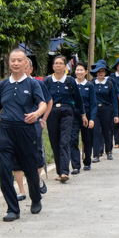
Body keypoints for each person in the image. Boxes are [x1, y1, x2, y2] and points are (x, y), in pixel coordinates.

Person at [0, 49, 47, 221]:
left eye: (20, 60)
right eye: (13, 60)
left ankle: (36, 198)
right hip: (6, 130)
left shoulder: (32, 84)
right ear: (9, 63)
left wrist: (37, 114)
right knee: (5, 171)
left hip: (26, 130)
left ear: (26, 63)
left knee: (30, 169)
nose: (16, 63)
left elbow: (42, 103)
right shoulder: (3, 85)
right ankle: (13, 209)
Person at [43, 55, 86, 183]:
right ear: (53, 66)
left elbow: (78, 99)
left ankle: (64, 171)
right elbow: (42, 100)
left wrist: (83, 114)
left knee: (64, 141)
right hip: (51, 112)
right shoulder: (47, 81)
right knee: (55, 142)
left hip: (67, 112)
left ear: (65, 66)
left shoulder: (70, 81)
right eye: (56, 63)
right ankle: (59, 170)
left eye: (61, 63)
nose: (58, 65)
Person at [12, 58, 51, 201]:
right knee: (16, 158)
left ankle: (36, 180)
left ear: (29, 68)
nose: (21, 67)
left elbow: (48, 102)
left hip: (33, 126)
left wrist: (42, 118)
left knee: (36, 156)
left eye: (25, 66)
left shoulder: (37, 84)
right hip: (15, 127)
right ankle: (21, 190)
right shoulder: (10, 84)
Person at [70, 62, 97, 173]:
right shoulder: (71, 84)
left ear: (86, 72)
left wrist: (92, 119)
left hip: (87, 114)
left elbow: (93, 104)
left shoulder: (89, 86)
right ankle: (76, 165)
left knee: (87, 139)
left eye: (81, 70)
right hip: (74, 115)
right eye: (77, 70)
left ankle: (87, 161)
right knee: (73, 139)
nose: (79, 72)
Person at [91, 61, 119, 163]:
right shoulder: (92, 83)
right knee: (96, 132)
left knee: (107, 131)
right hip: (95, 110)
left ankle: (109, 151)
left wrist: (116, 114)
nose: (100, 73)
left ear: (105, 72)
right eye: (98, 71)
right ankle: (96, 154)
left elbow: (114, 100)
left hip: (107, 110)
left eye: (102, 71)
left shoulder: (109, 83)